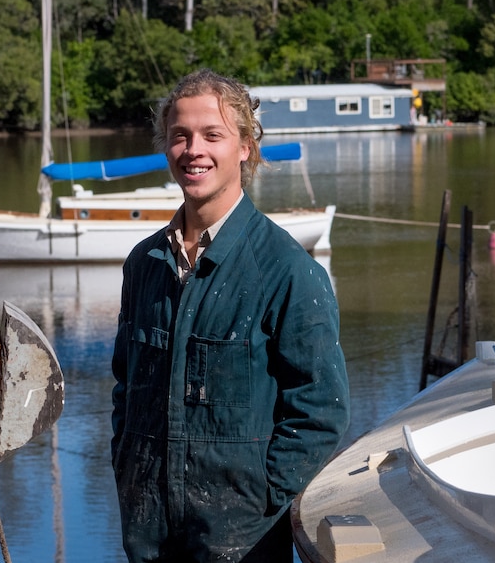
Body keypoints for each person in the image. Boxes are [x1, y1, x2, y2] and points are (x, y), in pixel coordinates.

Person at [111, 68, 350, 563]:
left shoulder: (286, 270)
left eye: (212, 135)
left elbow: (321, 411)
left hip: (241, 540)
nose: (193, 149)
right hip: (147, 531)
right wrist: (127, 464)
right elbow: (124, 385)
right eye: (180, 136)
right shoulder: (144, 264)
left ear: (245, 147)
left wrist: (260, 496)